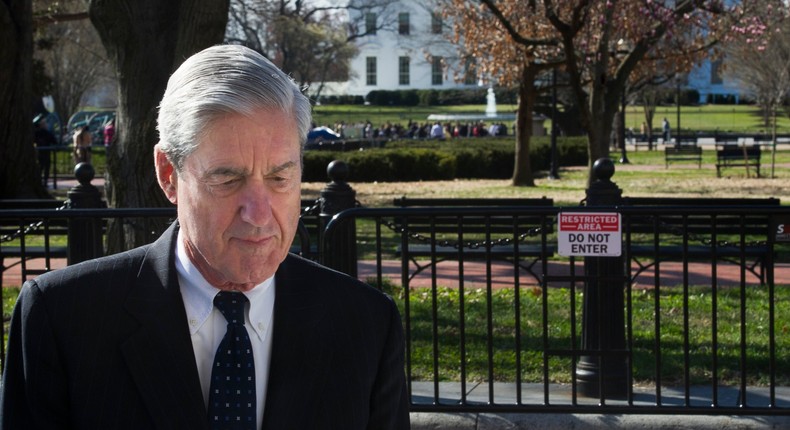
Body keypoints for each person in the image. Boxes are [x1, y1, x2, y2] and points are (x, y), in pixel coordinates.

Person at [1, 45, 409, 429]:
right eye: (227, 178)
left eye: (280, 177)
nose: (259, 214)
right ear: (168, 174)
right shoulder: (63, 320)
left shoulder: (367, 325)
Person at [32, 113, 57, 187]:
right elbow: (54, 141)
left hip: (40, 153)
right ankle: (44, 181)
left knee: (41, 167)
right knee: (45, 167)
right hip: (45, 152)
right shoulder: (47, 133)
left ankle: (40, 181)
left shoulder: (35, 133)